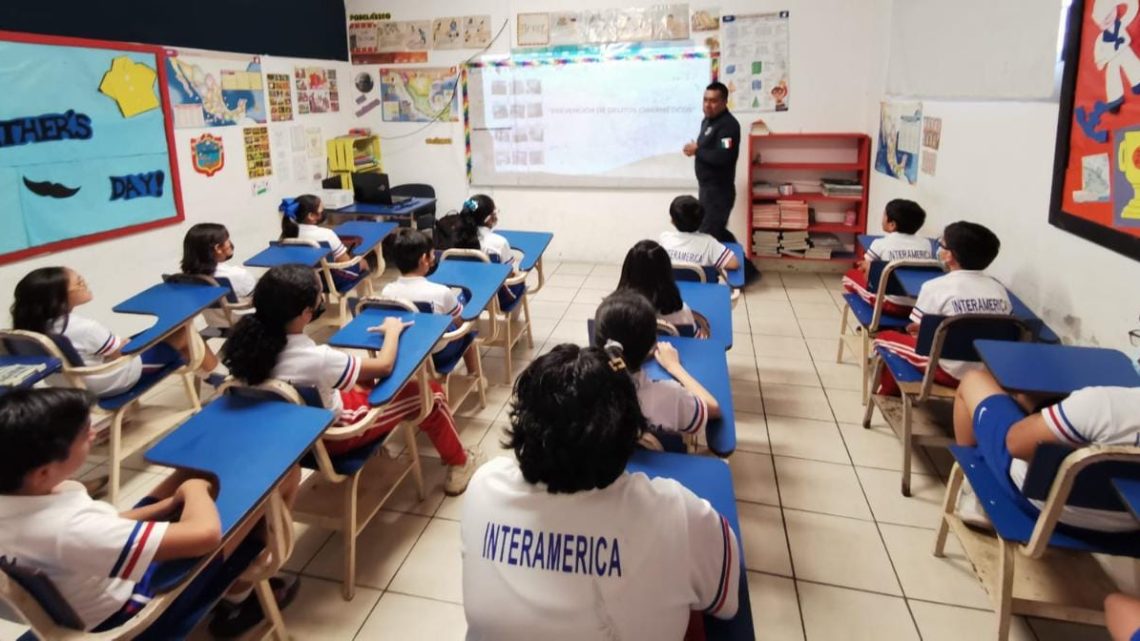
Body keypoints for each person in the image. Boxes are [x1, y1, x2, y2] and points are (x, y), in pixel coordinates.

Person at [461, 343, 740, 640]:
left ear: (523, 423)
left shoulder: (483, 486)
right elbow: (725, 601)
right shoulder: (676, 513)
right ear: (631, 433)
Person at [0, 388, 299, 636]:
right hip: (133, 613)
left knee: (190, 472)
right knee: (277, 482)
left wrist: (167, 506)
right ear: (43, 472)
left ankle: (237, 587)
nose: (93, 433)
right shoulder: (66, 528)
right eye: (83, 434)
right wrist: (194, 491)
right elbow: (205, 536)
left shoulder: (20, 498)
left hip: (93, 577)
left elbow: (103, 524)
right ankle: (240, 597)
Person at [221, 264, 479, 495]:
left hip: (292, 437)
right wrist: (392, 332)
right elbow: (384, 365)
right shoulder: (315, 358)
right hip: (337, 435)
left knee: (361, 380)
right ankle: (460, 462)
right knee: (430, 393)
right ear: (305, 313)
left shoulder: (246, 347)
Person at [951, 369, 1140, 532]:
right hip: (1126, 529)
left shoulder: (1103, 404)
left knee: (973, 380)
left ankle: (975, 490)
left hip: (1042, 508)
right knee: (1031, 402)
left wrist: (1038, 418)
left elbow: (1015, 445)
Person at [10, 267, 220, 398]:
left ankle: (209, 375)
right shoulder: (83, 327)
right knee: (185, 332)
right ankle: (219, 379)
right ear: (59, 297)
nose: (85, 284)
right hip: (110, 380)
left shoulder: (29, 329)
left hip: (68, 387)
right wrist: (127, 342)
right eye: (79, 283)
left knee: (167, 333)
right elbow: (121, 352)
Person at [871, 221, 1011, 396]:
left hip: (948, 371)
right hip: (987, 373)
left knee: (884, 338)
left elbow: (917, 331)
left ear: (949, 256)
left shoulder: (934, 287)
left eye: (942, 245)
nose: (939, 248)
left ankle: (888, 394)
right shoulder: (999, 290)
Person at [593, 291, 719, 452]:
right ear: (652, 345)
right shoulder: (672, 396)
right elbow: (713, 409)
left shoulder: (580, 387)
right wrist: (675, 367)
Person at [682, 81, 757, 282]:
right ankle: (748, 272)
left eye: (714, 101)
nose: (708, 105)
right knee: (720, 233)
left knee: (707, 236)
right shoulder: (707, 122)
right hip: (707, 189)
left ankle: (708, 279)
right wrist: (697, 150)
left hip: (719, 192)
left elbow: (724, 157)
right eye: (705, 100)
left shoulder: (728, 126)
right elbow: (708, 150)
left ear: (724, 102)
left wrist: (698, 151)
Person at [380, 228, 479, 375]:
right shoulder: (441, 292)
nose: (434, 257)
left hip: (403, 352)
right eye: (432, 253)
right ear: (423, 260)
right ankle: (474, 375)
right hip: (436, 354)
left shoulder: (387, 291)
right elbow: (460, 323)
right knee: (465, 330)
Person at [841, 199, 933, 316]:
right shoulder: (926, 244)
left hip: (891, 305)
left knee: (849, 277)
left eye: (884, 215)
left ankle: (872, 316)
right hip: (919, 305)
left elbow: (865, 268)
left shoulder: (880, 243)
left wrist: (867, 267)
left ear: (892, 225)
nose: (882, 218)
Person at [616, 240, 705, 337]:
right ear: (667, 272)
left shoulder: (614, 313)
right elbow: (693, 343)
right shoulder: (682, 313)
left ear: (627, 271)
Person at [278, 194, 364, 290]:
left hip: (300, 279)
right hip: (326, 280)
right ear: (311, 216)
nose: (324, 212)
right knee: (362, 262)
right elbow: (345, 261)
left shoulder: (286, 235)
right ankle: (365, 301)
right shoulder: (327, 234)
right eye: (321, 210)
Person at [180, 223, 257, 329]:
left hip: (214, 323)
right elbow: (259, 298)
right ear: (218, 248)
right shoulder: (236, 275)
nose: (230, 243)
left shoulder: (185, 279)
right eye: (227, 240)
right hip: (246, 322)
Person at [659, 195, 740, 272]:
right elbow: (733, 264)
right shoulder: (709, 243)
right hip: (703, 286)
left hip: (671, 286)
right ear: (701, 220)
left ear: (672, 221)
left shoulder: (664, 239)